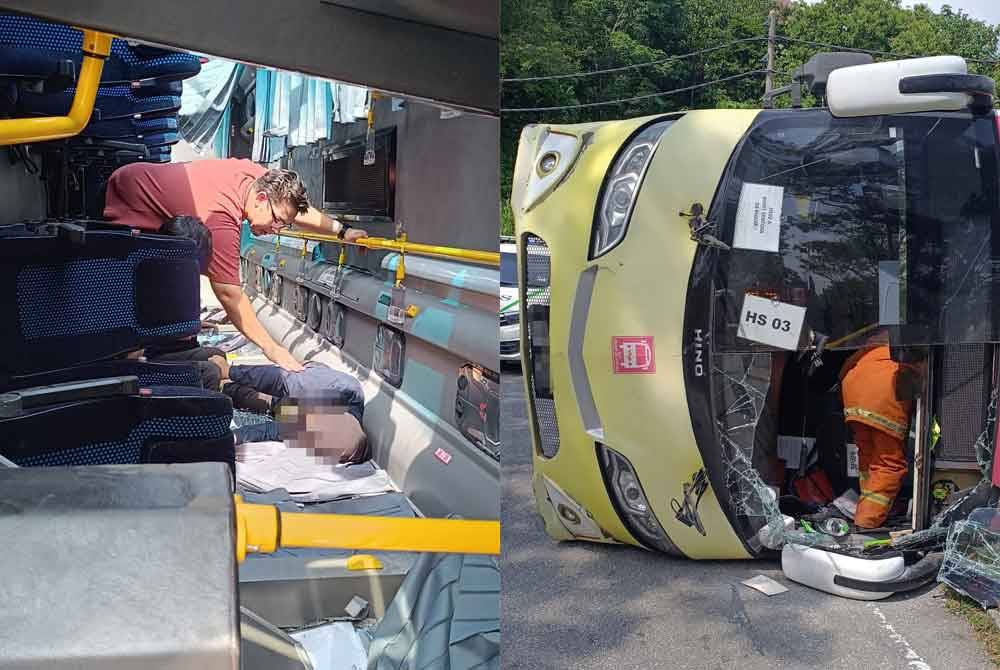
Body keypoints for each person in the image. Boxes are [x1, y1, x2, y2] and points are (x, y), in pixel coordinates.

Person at [103, 159, 368, 371]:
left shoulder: (256, 179)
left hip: (133, 176)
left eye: (283, 225)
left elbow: (296, 209)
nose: (276, 229)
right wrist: (272, 349)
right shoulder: (221, 220)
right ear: (262, 200)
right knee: (136, 320)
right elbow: (230, 294)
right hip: (128, 206)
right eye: (276, 221)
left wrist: (342, 231)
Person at [223, 361, 369, 464]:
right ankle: (229, 390)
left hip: (336, 432)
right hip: (340, 430)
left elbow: (278, 380)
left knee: (278, 406)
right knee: (276, 405)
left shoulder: (335, 386)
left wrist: (228, 370)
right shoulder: (339, 395)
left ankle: (228, 389)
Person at [839, 343, 918, 528]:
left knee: (868, 458)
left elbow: (845, 368)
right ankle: (867, 521)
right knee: (889, 464)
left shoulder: (878, 345)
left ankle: (865, 507)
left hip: (853, 390)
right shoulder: (913, 347)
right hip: (882, 396)